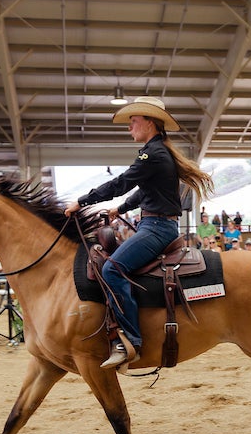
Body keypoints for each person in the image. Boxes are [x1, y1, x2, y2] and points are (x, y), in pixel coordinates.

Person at [64, 96, 213, 369]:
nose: (130, 127)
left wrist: (83, 201)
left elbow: (122, 182)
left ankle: (129, 338)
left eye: (134, 121)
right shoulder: (158, 153)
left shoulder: (151, 154)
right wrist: (120, 207)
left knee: (111, 270)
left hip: (157, 228)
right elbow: (142, 190)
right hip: (156, 225)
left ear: (150, 122)